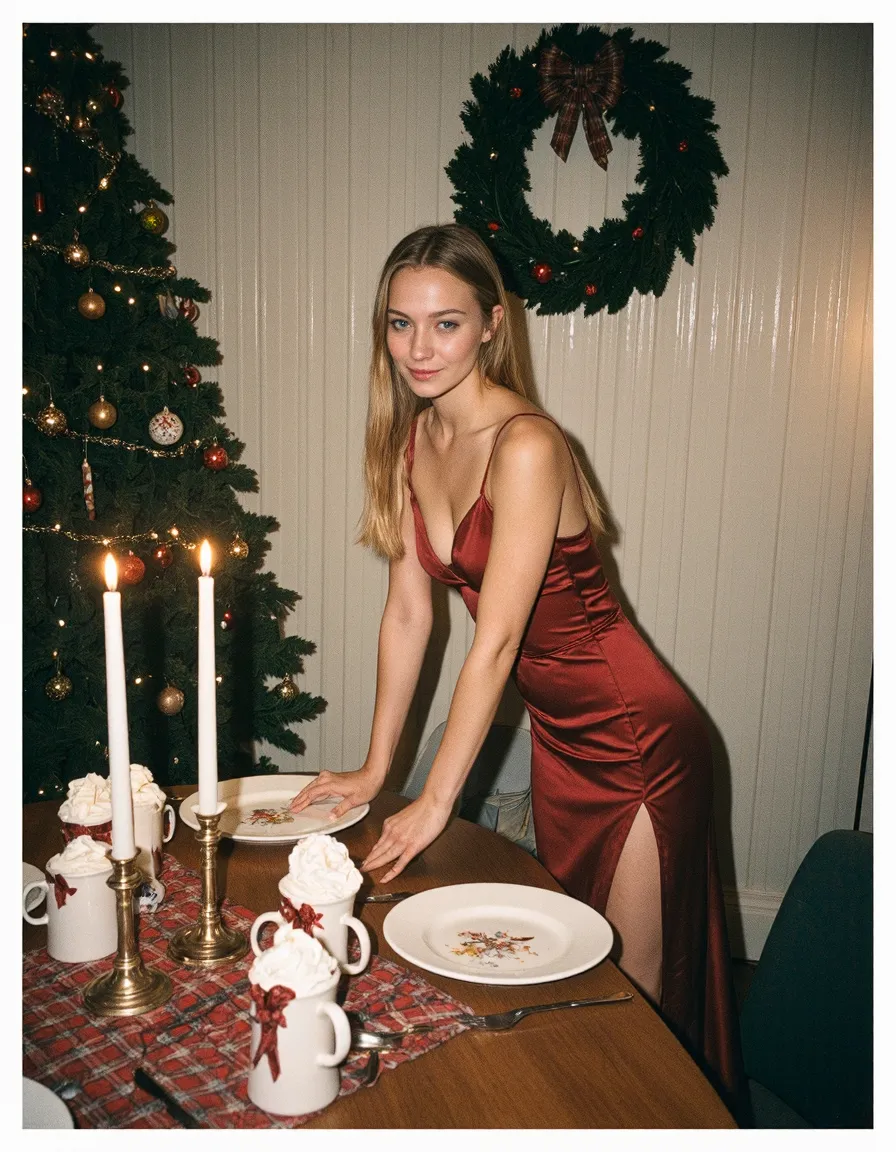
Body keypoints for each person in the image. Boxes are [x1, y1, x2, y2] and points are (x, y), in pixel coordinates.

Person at [289, 223, 745, 1114]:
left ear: (493, 325)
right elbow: (409, 613)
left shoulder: (529, 444)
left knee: (631, 995)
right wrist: (378, 768)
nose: (419, 349)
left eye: (446, 324)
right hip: (561, 738)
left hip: (637, 742)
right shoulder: (411, 439)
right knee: (571, 968)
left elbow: (493, 642)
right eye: (399, 323)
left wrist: (436, 801)